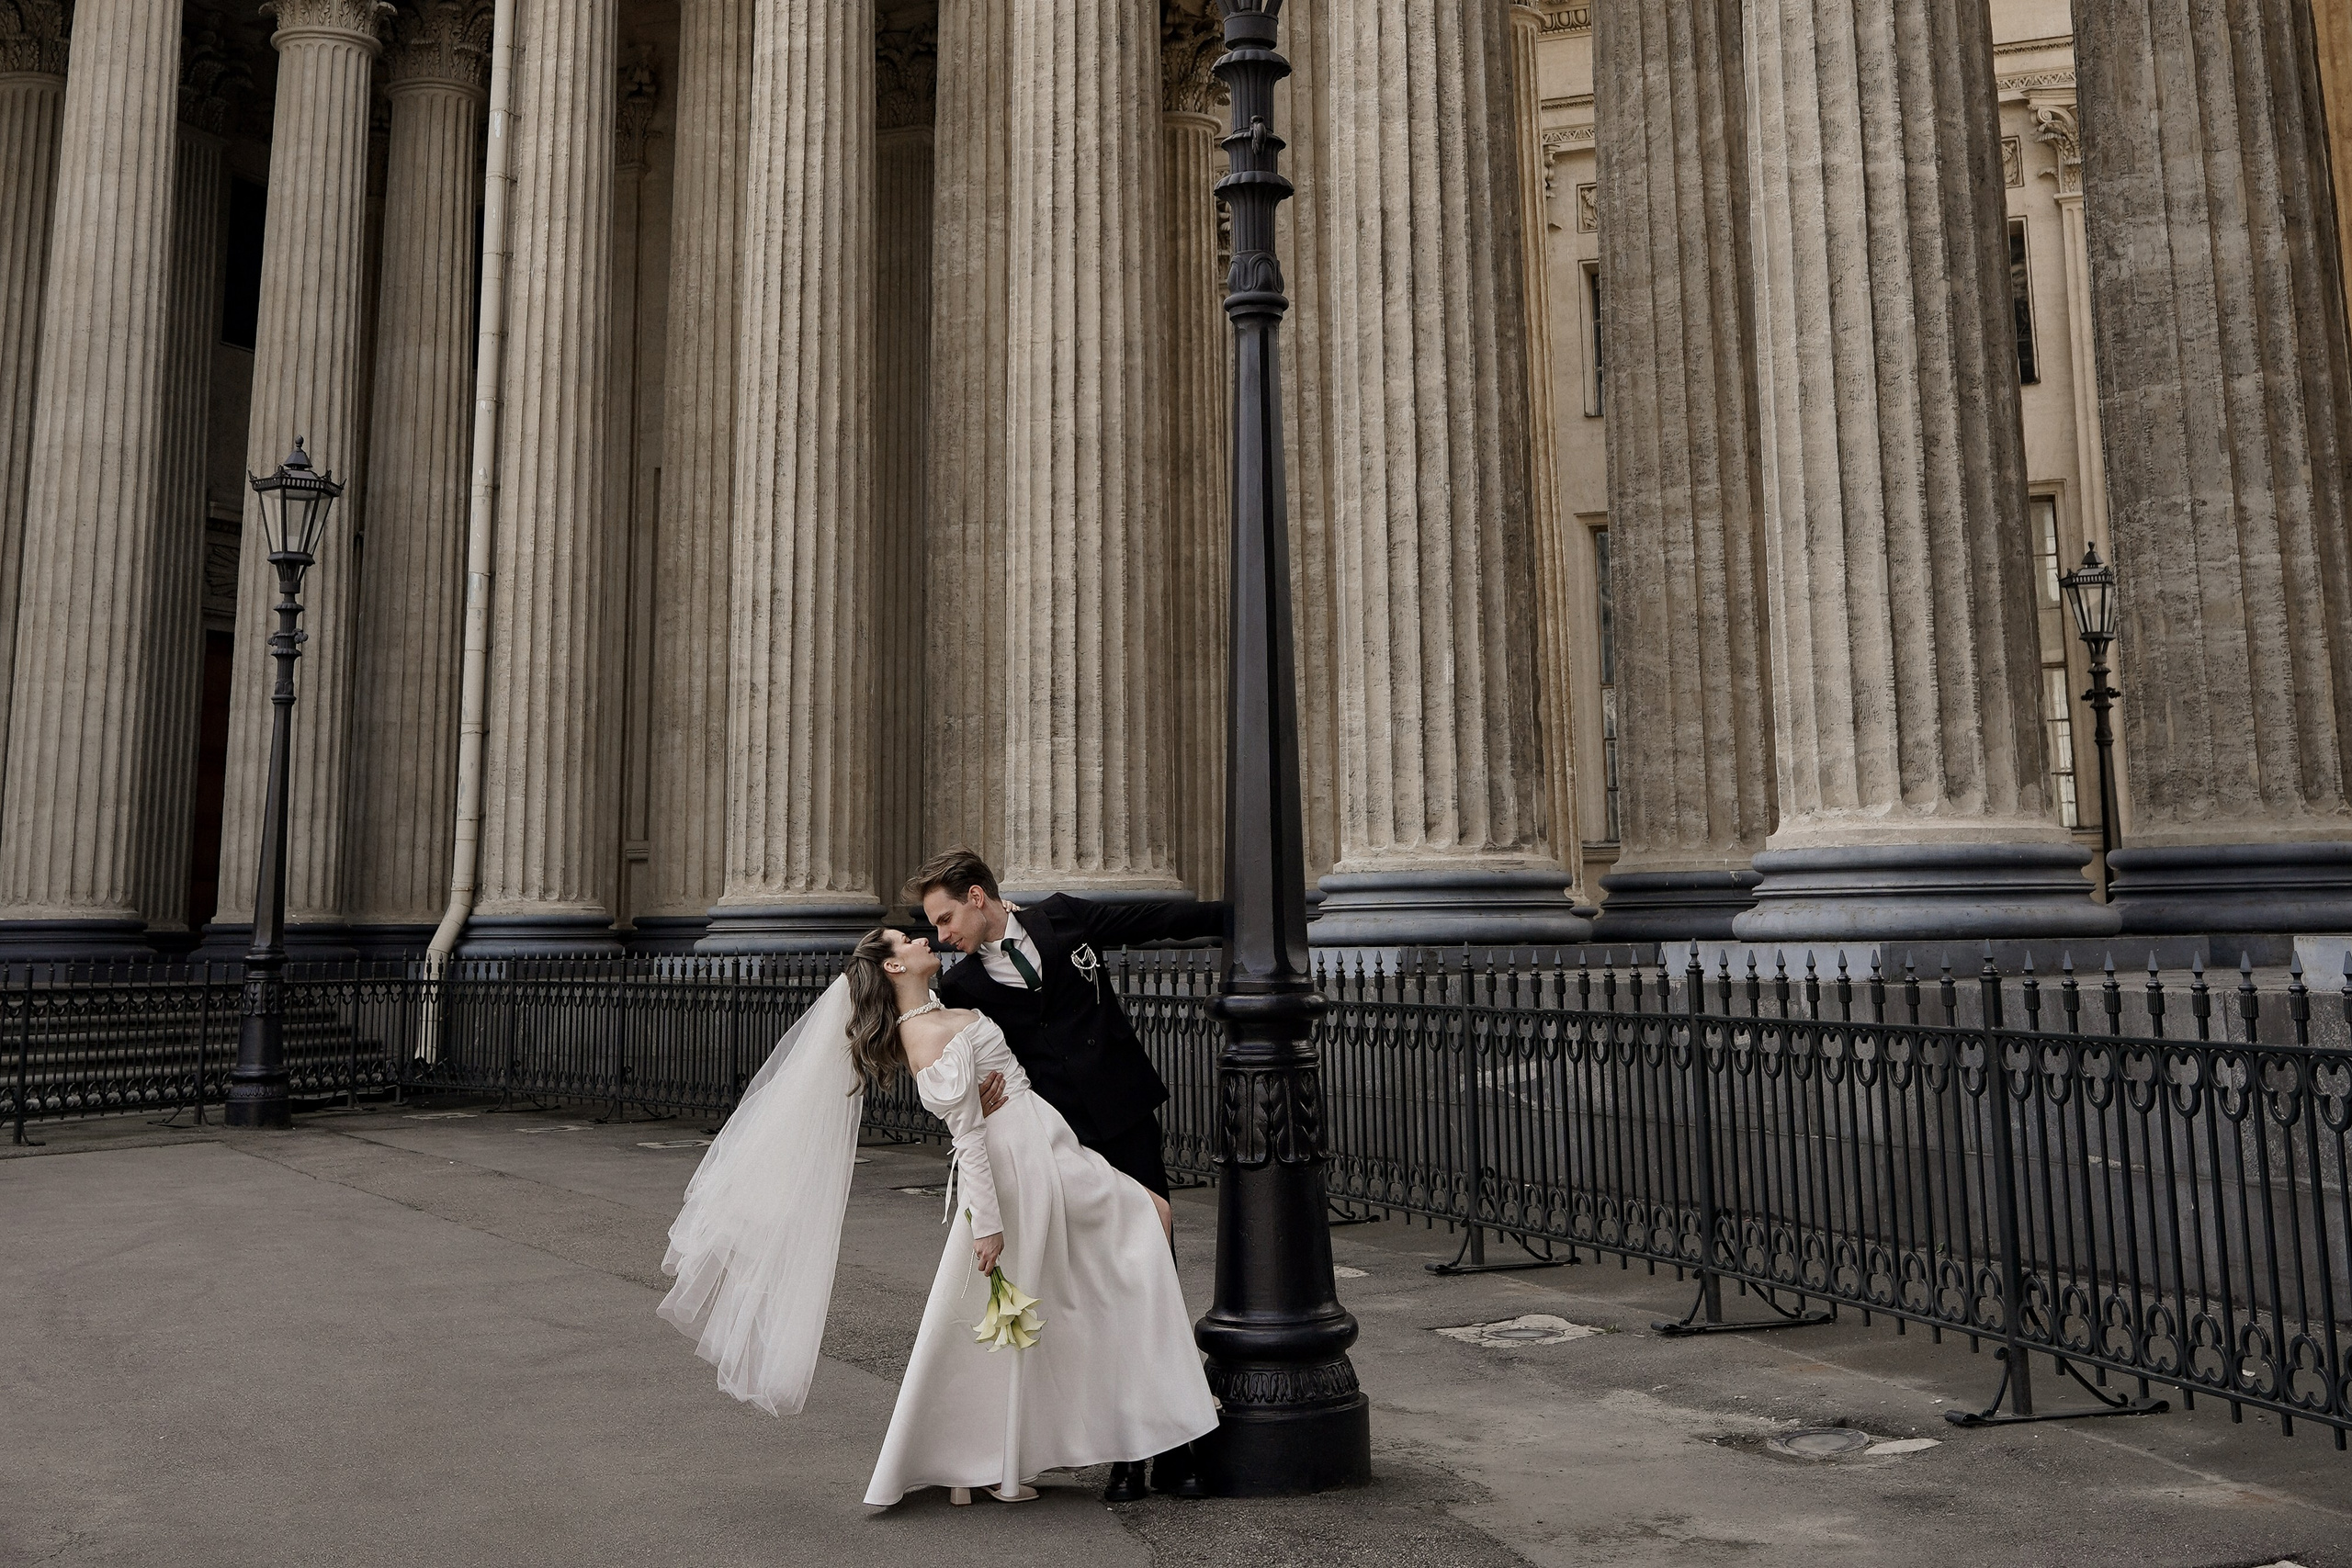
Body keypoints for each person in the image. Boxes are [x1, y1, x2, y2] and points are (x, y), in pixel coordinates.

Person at [657, 928, 1217, 1510]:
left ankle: (1029, 1452)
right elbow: (969, 1137)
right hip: (1021, 1161)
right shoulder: (922, 1033)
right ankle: (1127, 1436)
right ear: (895, 968)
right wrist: (988, 1223)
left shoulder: (942, 1011)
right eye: (905, 939)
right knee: (1147, 1220)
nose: (923, 938)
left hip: (1045, 1141)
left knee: (1078, 1275)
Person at [909, 847, 1226, 1500]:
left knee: (1151, 1273)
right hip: (1064, 1143)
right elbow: (931, 1047)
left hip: (1128, 1115)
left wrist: (1240, 914)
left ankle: (1173, 1445)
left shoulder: (1064, 920)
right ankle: (1125, 1454)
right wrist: (976, 1099)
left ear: (976, 896)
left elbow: (1148, 918)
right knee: (1096, 1289)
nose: (942, 936)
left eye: (944, 919)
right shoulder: (963, 986)